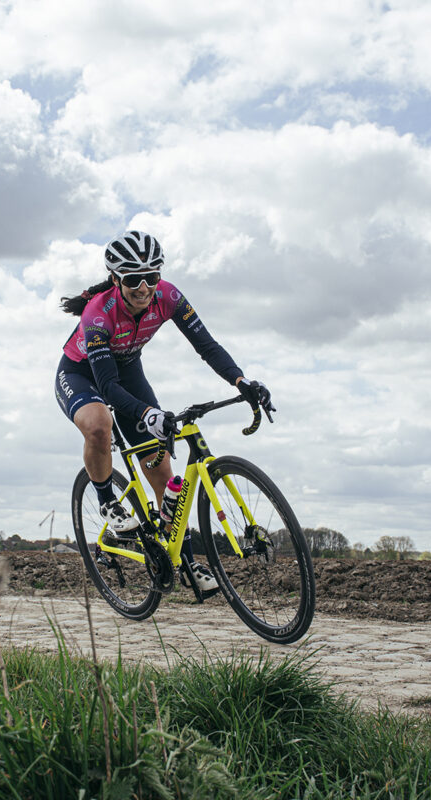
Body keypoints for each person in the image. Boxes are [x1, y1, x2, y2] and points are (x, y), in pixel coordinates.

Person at [55, 230, 275, 596]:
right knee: (99, 425)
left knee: (161, 471)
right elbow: (108, 389)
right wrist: (149, 414)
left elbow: (207, 345)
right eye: (132, 279)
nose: (144, 288)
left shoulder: (169, 297)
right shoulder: (99, 313)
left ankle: (185, 561)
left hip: (127, 370)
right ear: (115, 280)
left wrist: (242, 381)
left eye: (151, 277)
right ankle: (108, 502)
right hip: (82, 374)